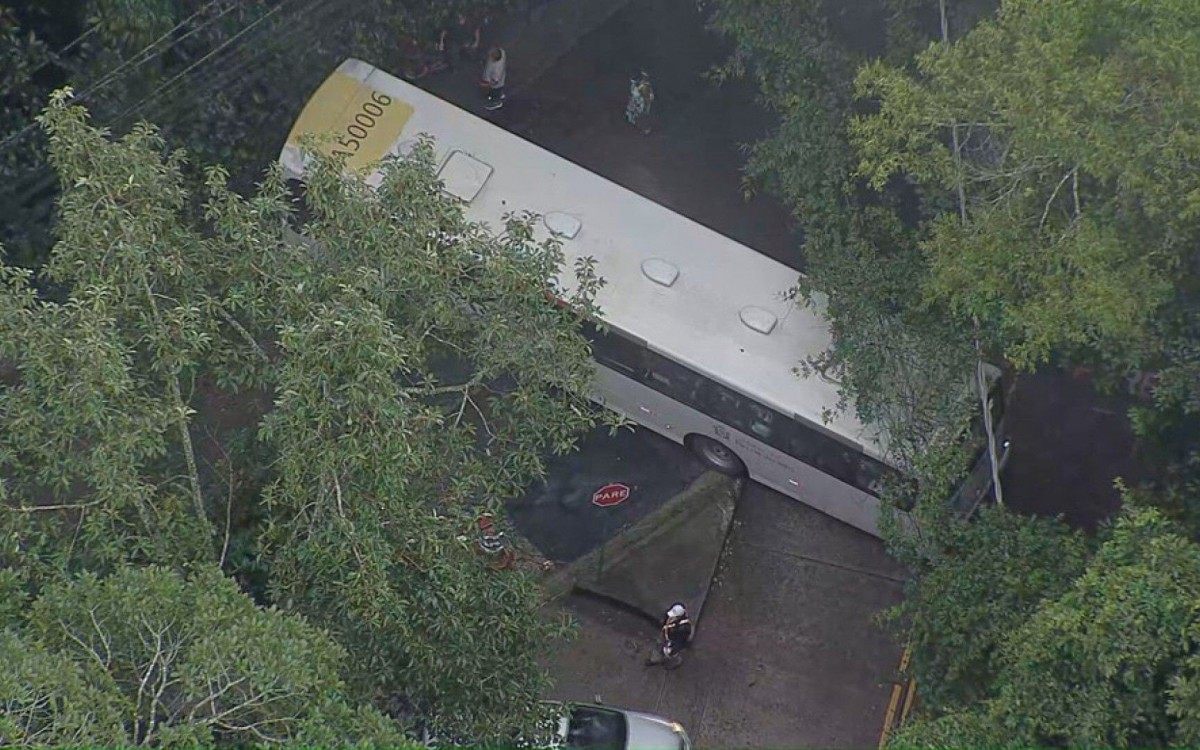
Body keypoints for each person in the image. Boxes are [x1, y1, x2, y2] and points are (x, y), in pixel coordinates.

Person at [645, 603, 693, 668]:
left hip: (672, 641)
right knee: (659, 647)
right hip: (666, 635)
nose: (670, 617)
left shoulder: (683, 628)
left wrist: (672, 649)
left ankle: (674, 663)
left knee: (673, 654)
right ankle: (655, 660)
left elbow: (680, 641)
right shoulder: (670, 615)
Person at [625, 70, 654, 135]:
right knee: (636, 115)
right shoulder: (639, 85)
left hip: (641, 103)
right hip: (637, 102)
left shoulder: (645, 85)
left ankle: (644, 129)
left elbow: (649, 96)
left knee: (642, 115)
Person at [481, 46, 507, 110]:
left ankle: (496, 102)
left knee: (495, 91)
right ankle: (499, 94)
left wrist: (487, 85)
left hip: (496, 84)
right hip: (501, 78)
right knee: (497, 90)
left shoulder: (496, 69)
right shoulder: (502, 52)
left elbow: (495, 81)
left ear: (493, 58)